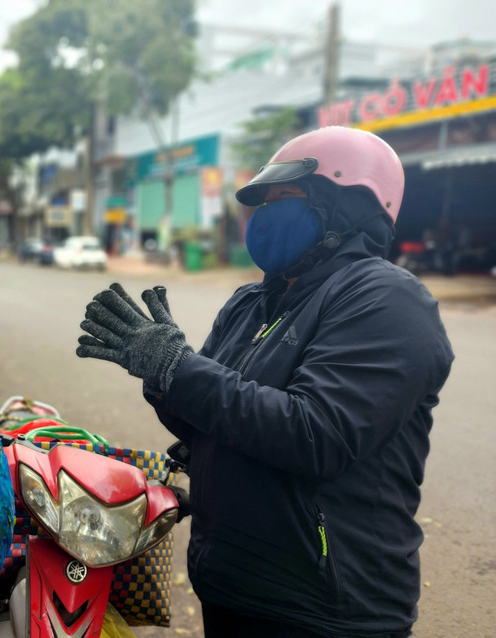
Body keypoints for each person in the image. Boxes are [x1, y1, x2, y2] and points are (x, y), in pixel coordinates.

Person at [76, 126, 453, 637]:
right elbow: (209, 420)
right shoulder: (252, 302)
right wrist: (160, 374)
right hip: (232, 585)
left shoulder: (387, 299)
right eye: (265, 200)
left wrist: (178, 367)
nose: (267, 213)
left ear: (344, 205)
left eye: (287, 196)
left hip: (323, 609)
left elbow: (317, 435)